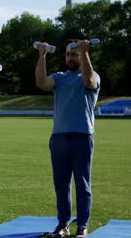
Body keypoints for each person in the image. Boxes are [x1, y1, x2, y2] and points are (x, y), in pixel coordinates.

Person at [35, 39, 100, 238]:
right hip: (59, 138)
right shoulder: (59, 77)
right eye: (69, 54)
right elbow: (41, 83)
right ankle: (63, 224)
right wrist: (42, 55)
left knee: (82, 184)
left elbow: (89, 82)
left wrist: (85, 52)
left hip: (81, 137)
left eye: (75, 54)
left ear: (81, 55)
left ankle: (82, 226)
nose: (71, 57)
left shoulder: (91, 75)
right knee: (61, 185)